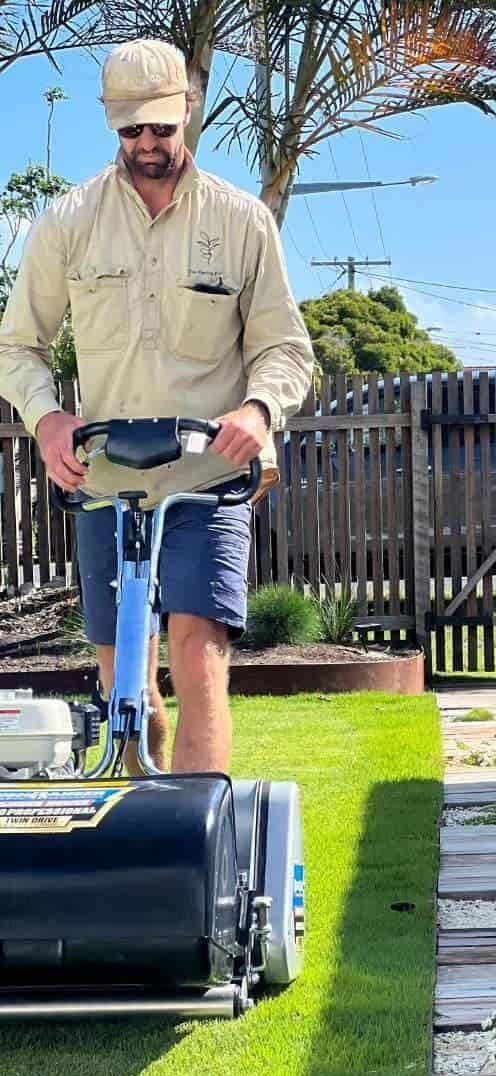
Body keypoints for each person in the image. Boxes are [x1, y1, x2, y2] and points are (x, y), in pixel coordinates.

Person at [0, 38, 314, 774]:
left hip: (206, 474)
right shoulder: (69, 222)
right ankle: (141, 836)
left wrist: (259, 410)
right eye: (131, 131)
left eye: (161, 129)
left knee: (197, 653)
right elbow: (17, 347)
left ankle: (198, 856)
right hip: (108, 479)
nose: (147, 145)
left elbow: (286, 349)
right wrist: (46, 417)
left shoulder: (240, 222)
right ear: (114, 127)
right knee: (124, 681)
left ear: (186, 114)